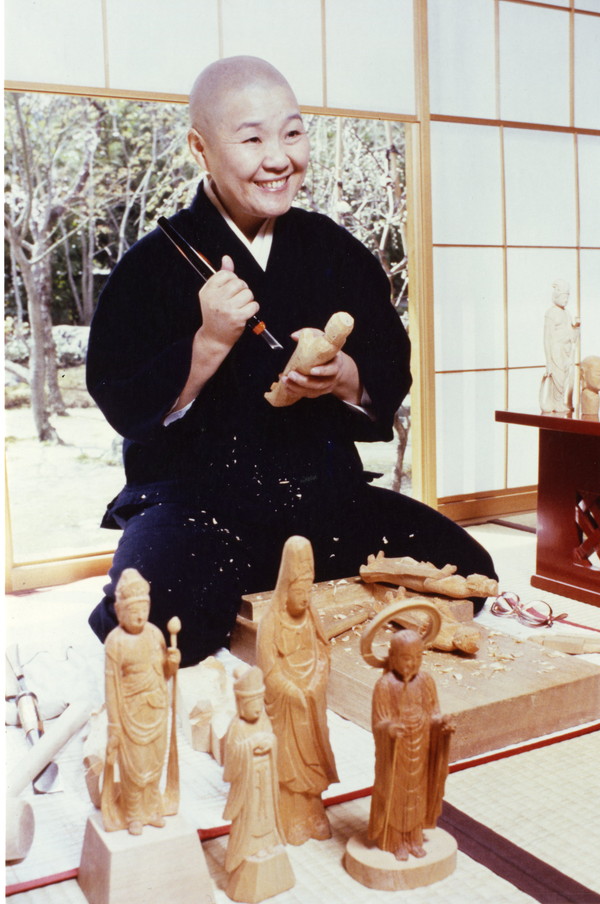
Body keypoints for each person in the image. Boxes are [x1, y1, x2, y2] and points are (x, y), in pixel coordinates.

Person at [86, 55, 498, 667]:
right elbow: (120, 394)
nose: (279, 158)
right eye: (252, 139)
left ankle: (260, 593)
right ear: (201, 148)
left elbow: (388, 362)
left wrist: (342, 377)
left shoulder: (334, 249)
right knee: (157, 624)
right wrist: (209, 343)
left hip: (318, 496)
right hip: (199, 505)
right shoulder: (153, 263)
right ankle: (238, 590)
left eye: (293, 133)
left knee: (467, 571)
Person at [256, 535, 338, 845]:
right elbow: (268, 669)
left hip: (311, 703)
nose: (305, 598)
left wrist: (316, 682)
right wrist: (290, 690)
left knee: (313, 758)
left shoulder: (311, 617)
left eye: (309, 590)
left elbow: (324, 652)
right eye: (299, 591)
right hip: (287, 706)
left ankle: (314, 812)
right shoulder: (270, 623)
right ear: (285, 590)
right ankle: (291, 816)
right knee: (289, 762)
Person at [101, 568, 181, 835]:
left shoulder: (155, 634)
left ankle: (152, 808)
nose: (139, 616)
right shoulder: (115, 642)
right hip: (130, 713)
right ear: (119, 611)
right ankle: (134, 813)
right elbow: (111, 688)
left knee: (154, 763)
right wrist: (114, 725)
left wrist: (172, 663)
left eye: (144, 609)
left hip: (156, 709)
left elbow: (164, 674)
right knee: (133, 767)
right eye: (133, 610)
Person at [368, 629, 448, 861]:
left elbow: (433, 712)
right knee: (396, 793)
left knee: (417, 793)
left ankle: (413, 838)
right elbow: (379, 721)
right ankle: (395, 841)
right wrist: (390, 729)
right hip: (396, 752)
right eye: (405, 658)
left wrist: (440, 723)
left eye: (417, 657)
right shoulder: (385, 685)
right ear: (392, 657)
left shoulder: (425, 681)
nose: (412, 663)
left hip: (421, 747)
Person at [223, 665, 294, 900]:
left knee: (267, 812)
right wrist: (250, 746)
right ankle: (252, 849)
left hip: (265, 776)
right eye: (251, 705)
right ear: (241, 704)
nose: (256, 709)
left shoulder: (263, 719)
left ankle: (267, 844)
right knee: (252, 814)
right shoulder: (237, 727)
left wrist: (269, 742)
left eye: (259, 703)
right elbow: (232, 756)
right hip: (249, 781)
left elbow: (272, 738)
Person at [543, 279, 580, 413]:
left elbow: (573, 337)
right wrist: (548, 361)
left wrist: (577, 327)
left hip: (566, 351)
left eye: (567, 297)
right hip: (556, 351)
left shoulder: (567, 313)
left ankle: (559, 402)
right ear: (557, 296)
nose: (566, 300)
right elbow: (547, 338)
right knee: (557, 377)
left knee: (564, 378)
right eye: (564, 296)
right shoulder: (551, 313)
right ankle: (554, 403)